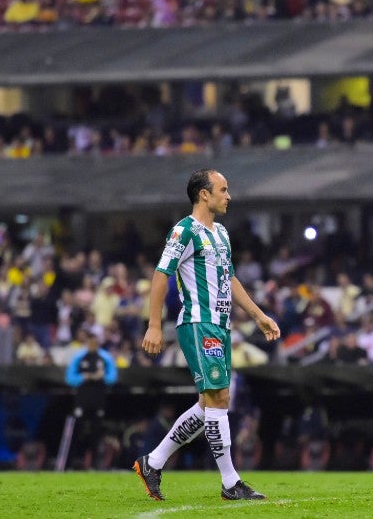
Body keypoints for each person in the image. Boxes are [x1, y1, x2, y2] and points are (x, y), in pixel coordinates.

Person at [135, 169, 280, 501]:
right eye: (223, 190)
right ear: (204, 194)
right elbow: (161, 276)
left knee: (207, 404)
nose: (229, 196)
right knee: (220, 400)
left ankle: (152, 462)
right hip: (198, 324)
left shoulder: (222, 234)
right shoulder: (184, 231)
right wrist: (155, 325)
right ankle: (230, 482)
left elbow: (230, 279)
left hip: (221, 325)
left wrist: (258, 315)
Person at [65, 333, 117, 469]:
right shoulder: (78, 357)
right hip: (82, 400)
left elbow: (113, 377)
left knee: (97, 433)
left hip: (98, 400)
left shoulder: (105, 357)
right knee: (77, 431)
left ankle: (95, 465)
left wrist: (102, 376)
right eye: (90, 342)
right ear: (87, 342)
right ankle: (73, 463)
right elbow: (69, 378)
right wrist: (84, 377)